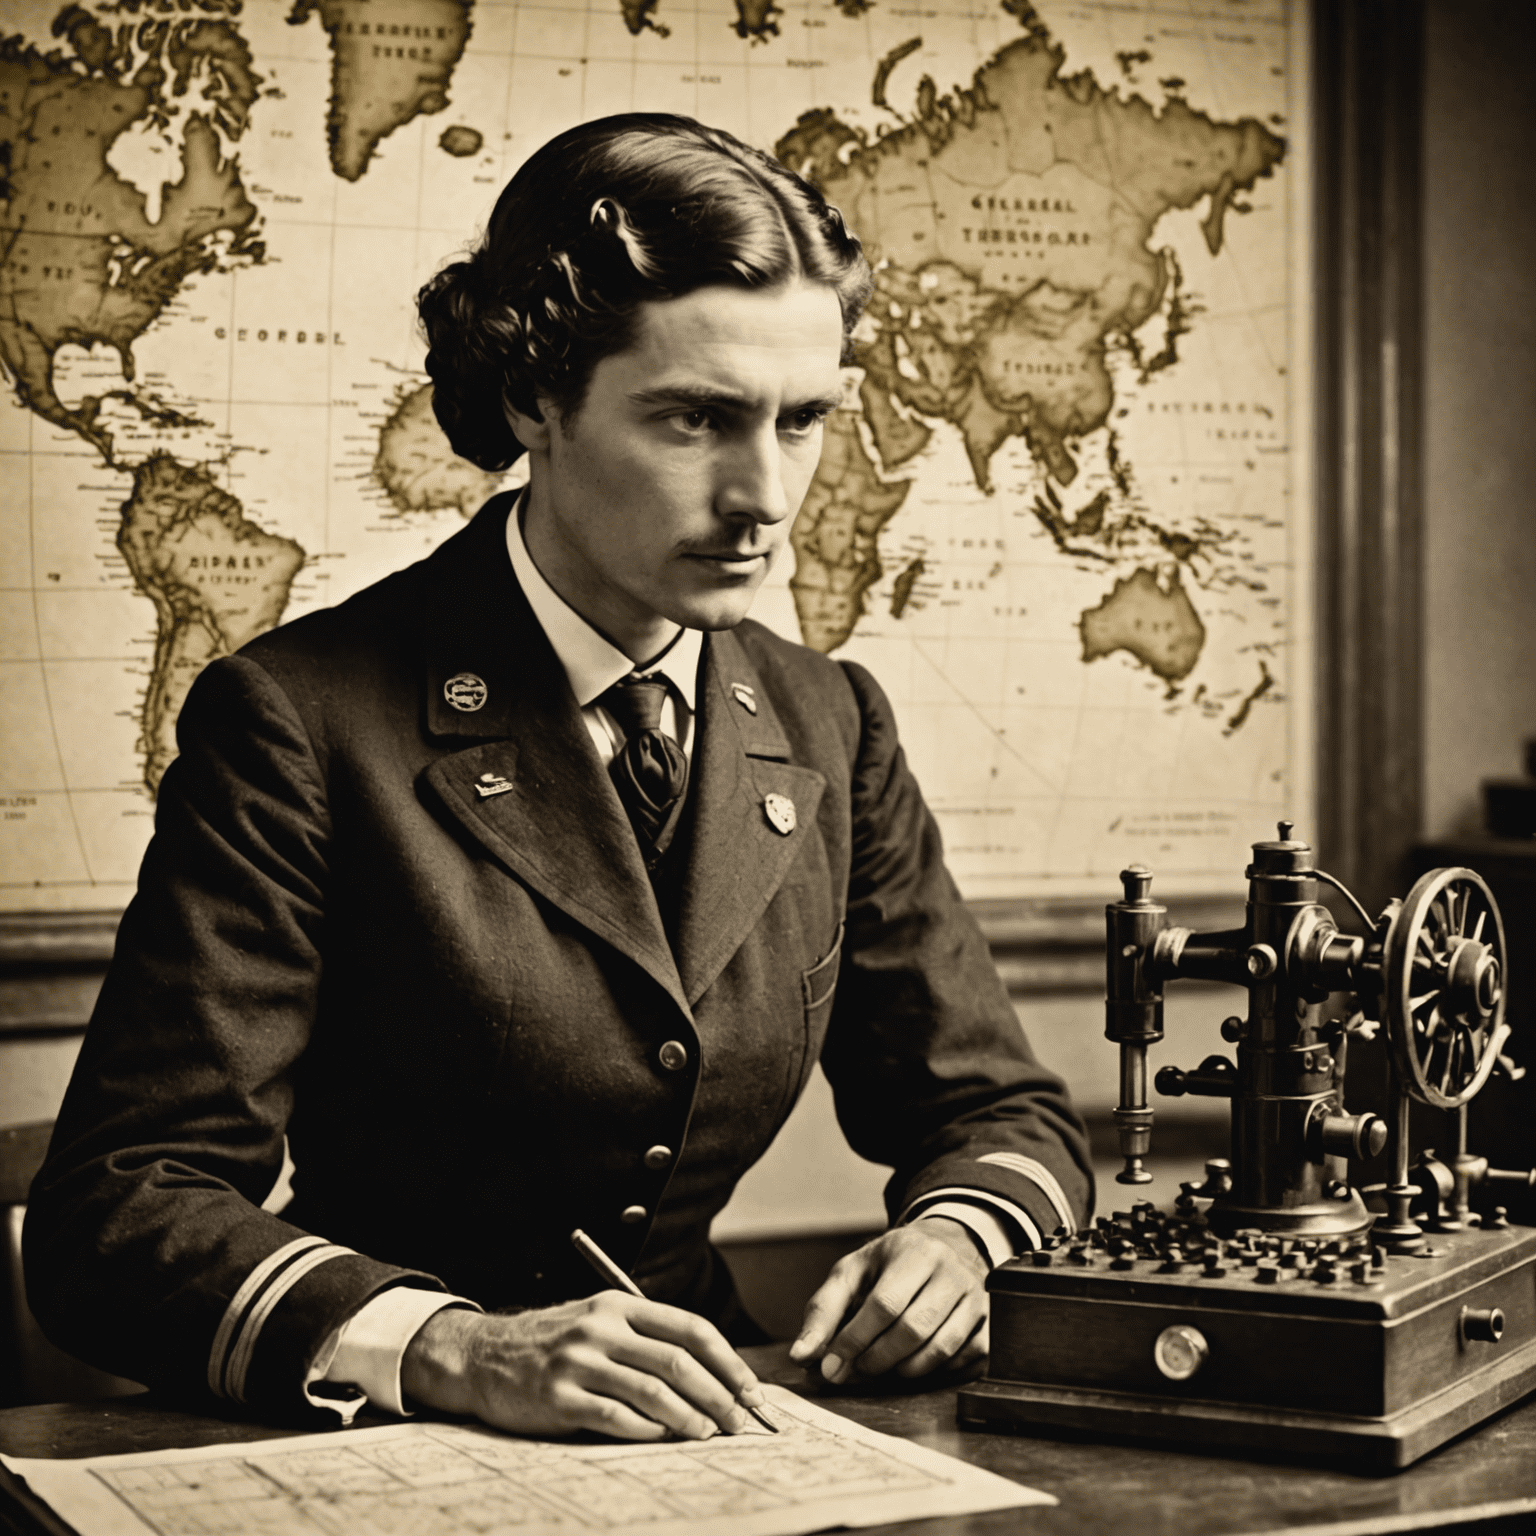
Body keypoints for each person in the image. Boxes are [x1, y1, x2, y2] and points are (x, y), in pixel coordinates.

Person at [26, 114, 1091, 1441]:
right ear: (537, 397)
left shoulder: (831, 724)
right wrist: (458, 1350)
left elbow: (997, 1108)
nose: (765, 495)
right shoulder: (299, 721)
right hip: (395, 1439)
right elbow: (119, 1212)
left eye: (804, 421)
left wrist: (956, 1240)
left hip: (732, 1420)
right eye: (696, 420)